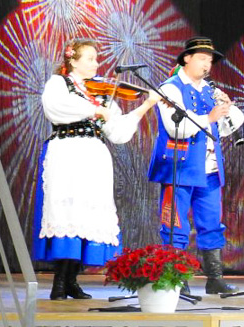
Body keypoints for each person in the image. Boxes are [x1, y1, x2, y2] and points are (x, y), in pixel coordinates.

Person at [34, 39, 162, 300]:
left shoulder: (102, 92)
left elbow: (117, 131)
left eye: (96, 58)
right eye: (90, 58)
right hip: (66, 152)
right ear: (73, 60)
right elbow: (55, 108)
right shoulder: (59, 83)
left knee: (87, 216)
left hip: (94, 157)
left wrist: (145, 106)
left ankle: (72, 280)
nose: (96, 63)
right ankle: (59, 281)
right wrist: (96, 110)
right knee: (67, 213)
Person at [147, 36, 244, 295]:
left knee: (211, 221)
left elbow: (225, 128)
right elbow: (174, 128)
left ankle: (214, 277)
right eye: (202, 58)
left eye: (210, 60)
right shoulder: (170, 89)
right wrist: (209, 116)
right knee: (175, 224)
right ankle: (175, 277)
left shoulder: (209, 89)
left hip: (209, 168)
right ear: (186, 58)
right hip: (180, 166)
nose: (207, 65)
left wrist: (227, 108)